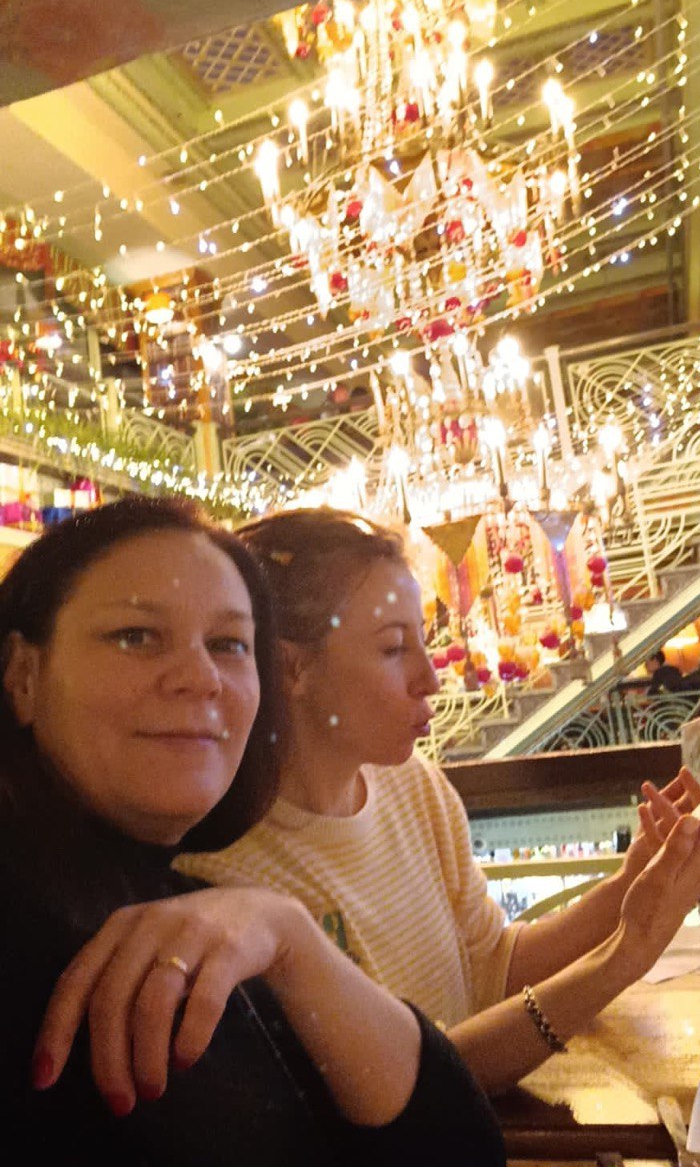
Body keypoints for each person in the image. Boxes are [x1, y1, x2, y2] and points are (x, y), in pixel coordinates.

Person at [0, 495, 509, 1167]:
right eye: (136, 636)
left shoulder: (195, 911)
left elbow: (457, 1138)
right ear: (22, 674)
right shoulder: (37, 930)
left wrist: (288, 934)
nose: (200, 677)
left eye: (228, 644)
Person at [177, 507, 700, 1093]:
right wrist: (625, 956)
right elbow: (412, 1083)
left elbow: (491, 970)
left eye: (424, 641)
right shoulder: (224, 877)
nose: (430, 678)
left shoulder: (416, 787)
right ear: (292, 667)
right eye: (393, 648)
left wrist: (631, 885)